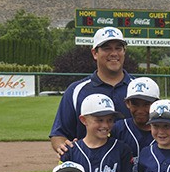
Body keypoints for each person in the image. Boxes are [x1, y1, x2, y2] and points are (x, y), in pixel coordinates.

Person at [50, 27, 133, 157]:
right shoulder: (76, 90)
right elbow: (59, 134)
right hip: (90, 169)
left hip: (132, 169)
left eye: (118, 48)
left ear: (124, 52)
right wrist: (63, 146)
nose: (114, 53)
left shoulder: (139, 89)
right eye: (107, 48)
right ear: (95, 53)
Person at [60, 93, 133, 172]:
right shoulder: (71, 152)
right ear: (83, 120)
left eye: (110, 120)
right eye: (99, 120)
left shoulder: (121, 149)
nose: (105, 125)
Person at [111, 77, 160, 172]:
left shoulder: (167, 132)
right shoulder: (118, 128)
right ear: (127, 103)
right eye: (135, 104)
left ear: (157, 103)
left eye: (147, 104)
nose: (141, 110)